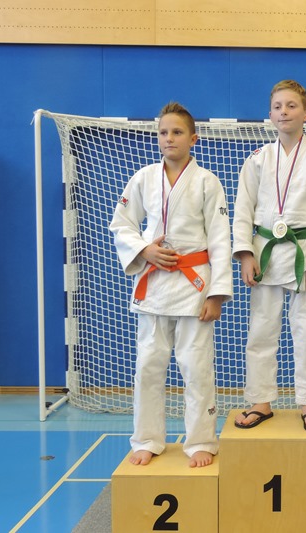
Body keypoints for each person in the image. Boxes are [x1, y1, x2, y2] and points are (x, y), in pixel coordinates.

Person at [110, 102, 232, 467]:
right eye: (163, 132)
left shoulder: (207, 181)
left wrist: (217, 294)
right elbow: (121, 224)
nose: (169, 138)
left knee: (196, 368)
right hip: (155, 286)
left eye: (177, 132)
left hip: (195, 288)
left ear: (193, 138)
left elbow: (220, 239)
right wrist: (145, 249)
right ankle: (147, 438)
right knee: (148, 366)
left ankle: (201, 441)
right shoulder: (144, 178)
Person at [232, 79, 306, 432]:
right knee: (261, 330)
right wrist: (245, 253)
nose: (284, 112)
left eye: (291, 106)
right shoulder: (258, 159)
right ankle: (260, 400)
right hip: (264, 254)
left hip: (305, 255)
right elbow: (242, 209)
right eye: (278, 106)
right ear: (269, 114)